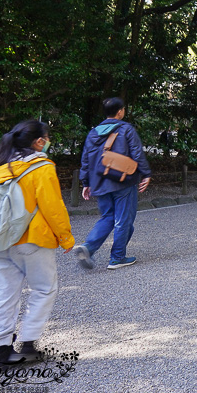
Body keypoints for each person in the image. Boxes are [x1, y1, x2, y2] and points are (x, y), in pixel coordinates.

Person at [0, 120, 74, 365]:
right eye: (47, 137)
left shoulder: (1, 168)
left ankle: (0, 352)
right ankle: (29, 344)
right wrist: (66, 238)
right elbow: (53, 208)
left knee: (2, 294)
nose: (49, 141)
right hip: (32, 240)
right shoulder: (42, 167)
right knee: (44, 289)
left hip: (0, 240)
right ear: (39, 142)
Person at [72, 97, 151, 271]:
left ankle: (88, 248)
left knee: (108, 217)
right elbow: (137, 153)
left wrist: (86, 182)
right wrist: (146, 173)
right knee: (123, 219)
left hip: (99, 181)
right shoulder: (126, 129)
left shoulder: (93, 133)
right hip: (122, 181)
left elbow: (85, 159)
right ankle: (117, 258)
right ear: (120, 111)